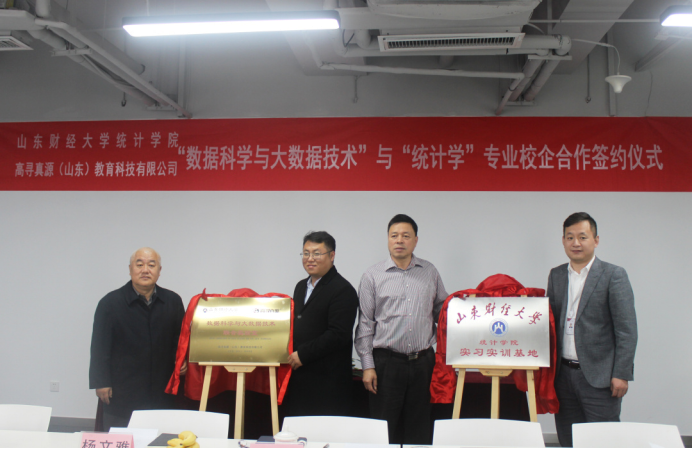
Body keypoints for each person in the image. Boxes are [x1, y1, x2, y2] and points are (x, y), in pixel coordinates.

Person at [354, 214, 448, 444]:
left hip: (423, 363)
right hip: (386, 364)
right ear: (387, 239)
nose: (399, 240)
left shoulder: (429, 271)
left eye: (406, 236)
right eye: (394, 235)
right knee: (384, 429)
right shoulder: (372, 276)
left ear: (415, 240)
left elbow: (442, 311)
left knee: (419, 428)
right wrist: (368, 366)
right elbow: (365, 324)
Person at [547, 213, 638, 447]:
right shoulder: (557, 275)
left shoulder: (613, 275)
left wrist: (622, 374)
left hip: (600, 378)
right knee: (568, 439)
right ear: (563, 241)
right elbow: (549, 324)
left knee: (603, 441)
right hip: (563, 376)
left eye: (582, 237)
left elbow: (626, 330)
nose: (576, 243)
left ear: (596, 240)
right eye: (570, 237)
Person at [89, 248, 187, 430]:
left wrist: (183, 361)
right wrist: (101, 382)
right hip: (123, 389)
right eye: (139, 264)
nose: (145, 270)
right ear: (130, 269)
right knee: (123, 436)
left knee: (161, 436)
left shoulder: (172, 301)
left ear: (159, 270)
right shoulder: (110, 303)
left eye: (151, 265)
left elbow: (180, 340)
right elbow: (99, 346)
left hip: (161, 388)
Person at [283, 231, 359, 417]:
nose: (310, 259)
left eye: (317, 253)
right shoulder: (301, 286)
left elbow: (338, 335)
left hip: (327, 382)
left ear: (332, 256)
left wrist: (303, 354)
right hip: (301, 377)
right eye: (306, 253)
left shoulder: (343, 290)